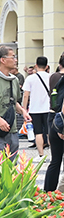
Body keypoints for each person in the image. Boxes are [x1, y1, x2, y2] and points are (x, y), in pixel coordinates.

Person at [0, 45, 32, 158]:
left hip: (11, 129)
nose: (16, 60)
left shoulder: (14, 80)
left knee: (11, 165)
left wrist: (23, 112)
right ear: (2, 60)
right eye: (13, 57)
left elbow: (14, 102)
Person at [23, 56, 52, 158]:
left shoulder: (30, 78)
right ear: (47, 66)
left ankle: (41, 154)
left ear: (35, 66)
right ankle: (53, 154)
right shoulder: (51, 77)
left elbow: (26, 94)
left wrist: (24, 108)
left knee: (38, 132)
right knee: (49, 132)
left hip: (35, 109)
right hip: (49, 108)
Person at [44, 53, 64, 191]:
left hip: (53, 119)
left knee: (55, 160)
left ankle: (47, 194)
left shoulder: (55, 78)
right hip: (62, 123)